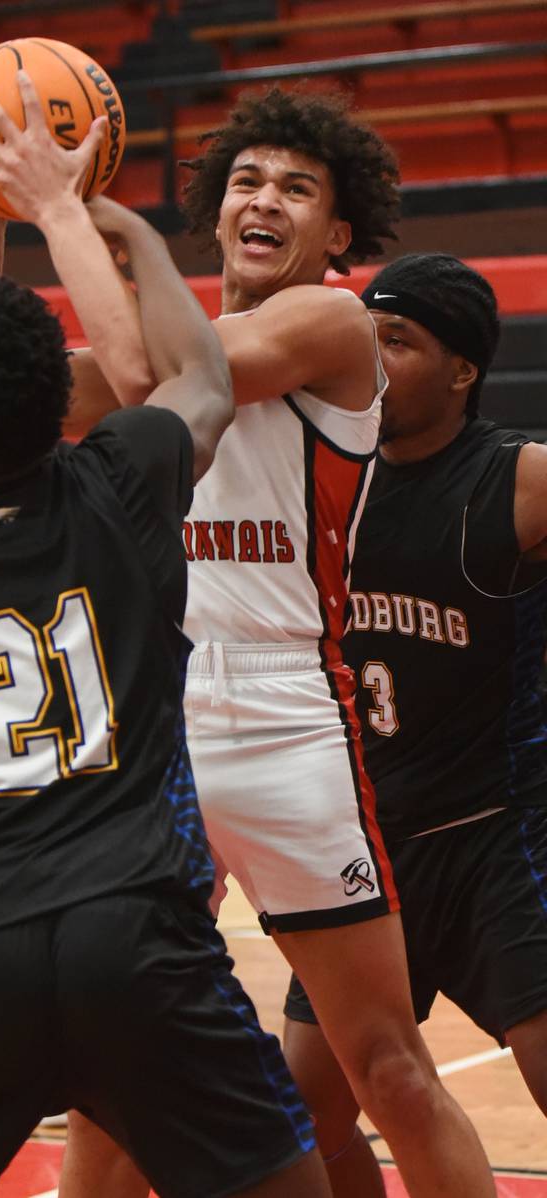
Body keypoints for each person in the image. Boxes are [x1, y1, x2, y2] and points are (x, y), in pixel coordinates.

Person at [0, 77, 331, 1198]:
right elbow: (190, 377)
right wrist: (87, 206)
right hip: (136, 931)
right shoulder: (119, 487)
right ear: (59, 403)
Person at [0, 83, 496, 1197]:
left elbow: (175, 379)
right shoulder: (139, 339)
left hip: (289, 723)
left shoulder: (331, 321)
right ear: (214, 210)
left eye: (296, 187)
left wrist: (67, 209)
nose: (265, 198)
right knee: (106, 1079)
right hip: (162, 728)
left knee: (385, 1065)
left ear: (335, 234)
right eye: (246, 179)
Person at [281, 251, 547, 1195]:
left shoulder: (517, 479)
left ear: (463, 370)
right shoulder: (320, 483)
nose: (372, 359)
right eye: (365, 338)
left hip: (500, 839)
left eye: (398, 341)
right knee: (305, 1119)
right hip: (365, 850)